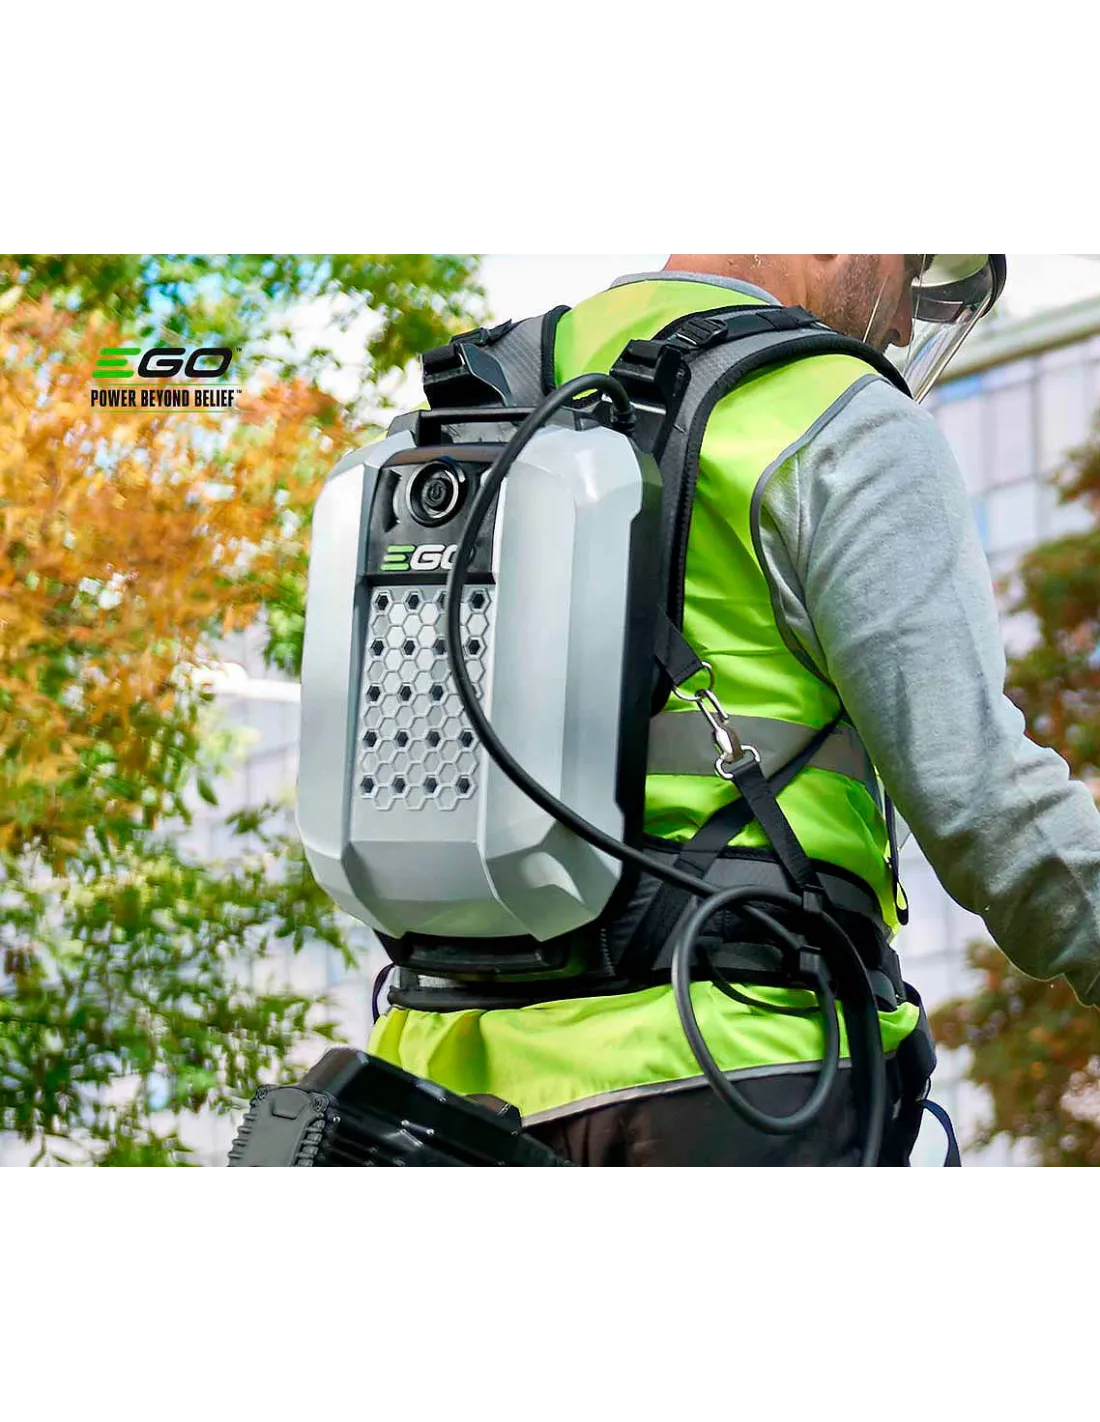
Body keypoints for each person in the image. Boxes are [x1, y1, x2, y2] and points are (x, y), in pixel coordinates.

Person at [367, 250, 1100, 1166]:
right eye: (910, 265)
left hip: (439, 1094)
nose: (903, 323)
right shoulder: (835, 412)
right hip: (733, 1066)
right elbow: (985, 802)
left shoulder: (472, 401)